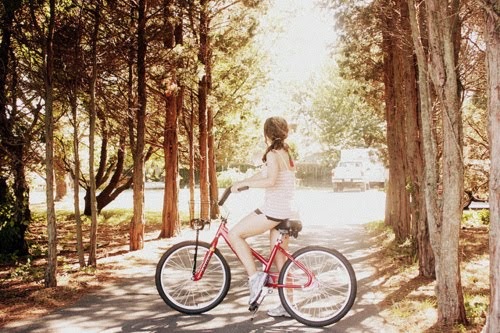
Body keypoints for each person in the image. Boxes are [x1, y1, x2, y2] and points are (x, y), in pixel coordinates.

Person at [228, 116, 295, 318]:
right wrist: (240, 183)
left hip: (274, 210)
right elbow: (263, 175)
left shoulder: (274, 154)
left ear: (267, 133)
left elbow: (271, 180)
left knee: (235, 234)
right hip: (286, 209)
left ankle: (255, 279)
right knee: (281, 258)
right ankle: (288, 305)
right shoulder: (285, 152)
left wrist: (247, 185)